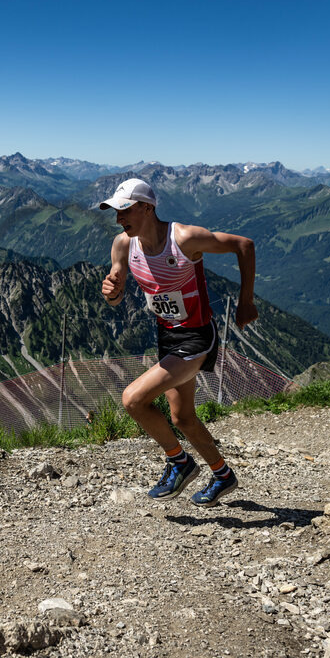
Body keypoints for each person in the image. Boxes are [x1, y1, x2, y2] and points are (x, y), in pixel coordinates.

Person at [99, 178, 257, 507]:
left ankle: (180, 462)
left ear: (147, 207)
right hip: (168, 336)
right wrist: (111, 293)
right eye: (116, 213)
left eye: (125, 210)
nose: (119, 219)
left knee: (133, 400)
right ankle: (223, 475)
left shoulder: (184, 238)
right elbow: (116, 293)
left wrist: (245, 302)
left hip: (197, 337)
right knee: (183, 417)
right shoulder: (123, 246)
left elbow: (245, 245)